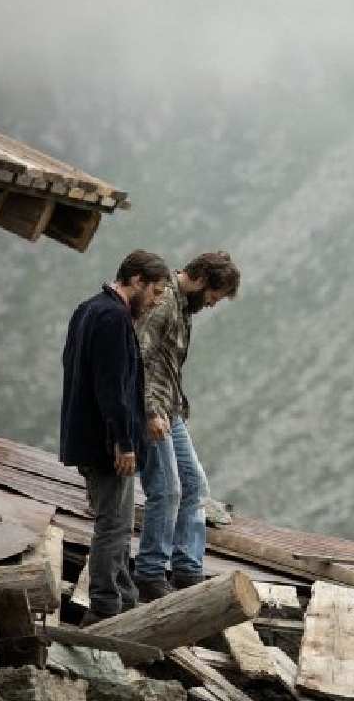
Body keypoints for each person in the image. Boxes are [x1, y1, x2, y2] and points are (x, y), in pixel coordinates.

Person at [60, 250, 170, 625]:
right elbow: (114, 389)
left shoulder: (88, 309)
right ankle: (105, 609)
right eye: (154, 292)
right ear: (136, 280)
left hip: (86, 438)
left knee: (118, 522)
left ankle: (124, 597)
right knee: (113, 526)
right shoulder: (114, 319)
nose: (155, 302)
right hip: (106, 444)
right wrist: (124, 442)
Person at [132, 251, 240, 600]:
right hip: (153, 411)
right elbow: (140, 360)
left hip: (171, 408)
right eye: (212, 296)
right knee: (167, 488)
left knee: (195, 485)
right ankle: (150, 572)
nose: (211, 304)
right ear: (201, 280)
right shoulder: (163, 305)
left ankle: (187, 569)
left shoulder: (182, 307)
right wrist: (150, 412)